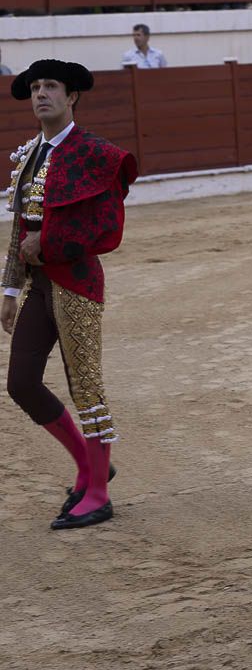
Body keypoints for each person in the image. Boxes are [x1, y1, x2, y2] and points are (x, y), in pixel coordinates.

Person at [3, 59, 138, 530]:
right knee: (20, 382)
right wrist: (10, 287)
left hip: (78, 282)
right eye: (36, 87)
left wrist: (49, 244)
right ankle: (88, 465)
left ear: (71, 95)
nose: (41, 94)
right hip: (40, 285)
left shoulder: (94, 153)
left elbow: (107, 229)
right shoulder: (30, 155)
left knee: (86, 387)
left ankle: (98, 493)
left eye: (51, 86)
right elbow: (22, 225)